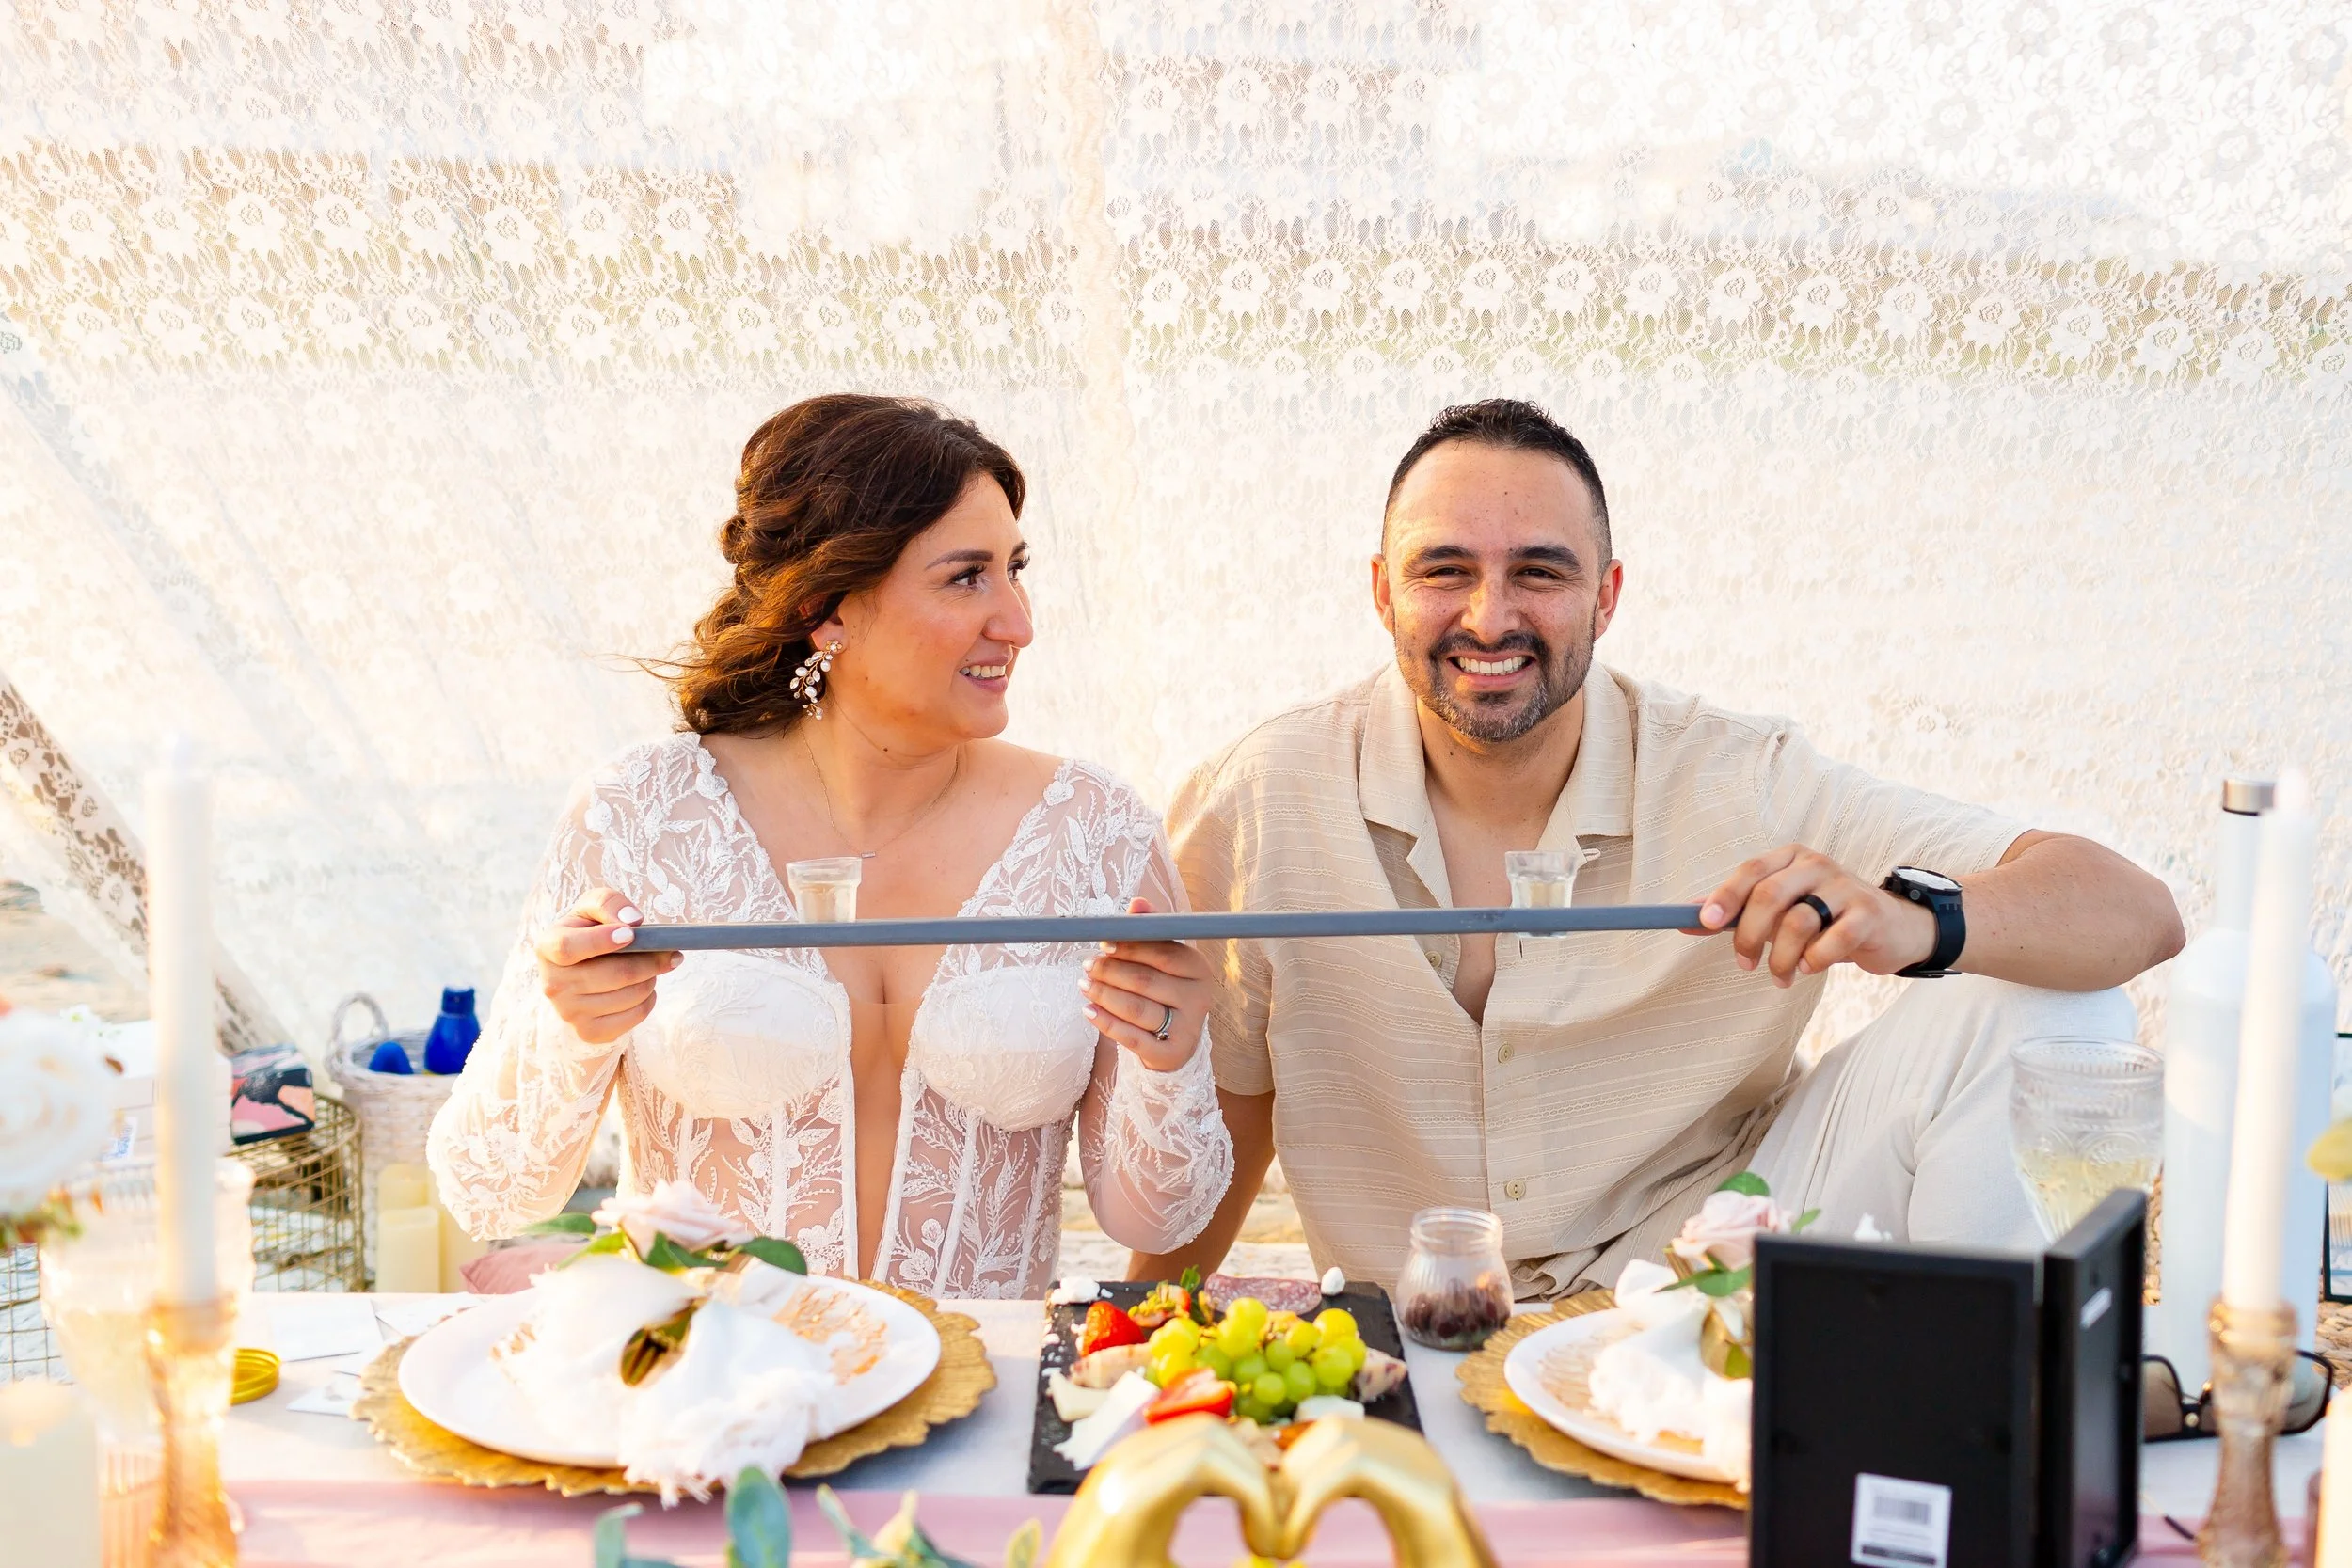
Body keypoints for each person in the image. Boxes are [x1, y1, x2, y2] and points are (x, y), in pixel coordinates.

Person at [1136, 398, 2183, 1296]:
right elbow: (1230, 1121)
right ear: (1380, 590)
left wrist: (1915, 918)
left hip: (1718, 1273)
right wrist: (1123, 1349)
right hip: (1425, 1319)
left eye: (1538, 572)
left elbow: (2135, 912)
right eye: (1443, 570)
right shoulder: (1262, 792)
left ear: (1607, 593)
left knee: (2057, 1007)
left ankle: (1974, 1426)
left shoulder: (1747, 774)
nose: (1489, 616)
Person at [430, 395, 1232, 1297]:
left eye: (1015, 568)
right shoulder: (643, 815)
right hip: (719, 1396)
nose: (1018, 620)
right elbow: (489, 1190)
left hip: (984, 1404)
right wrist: (566, 1029)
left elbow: (1157, 1217)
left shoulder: (1097, 831)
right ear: (827, 610)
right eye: (966, 576)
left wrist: (1170, 1058)